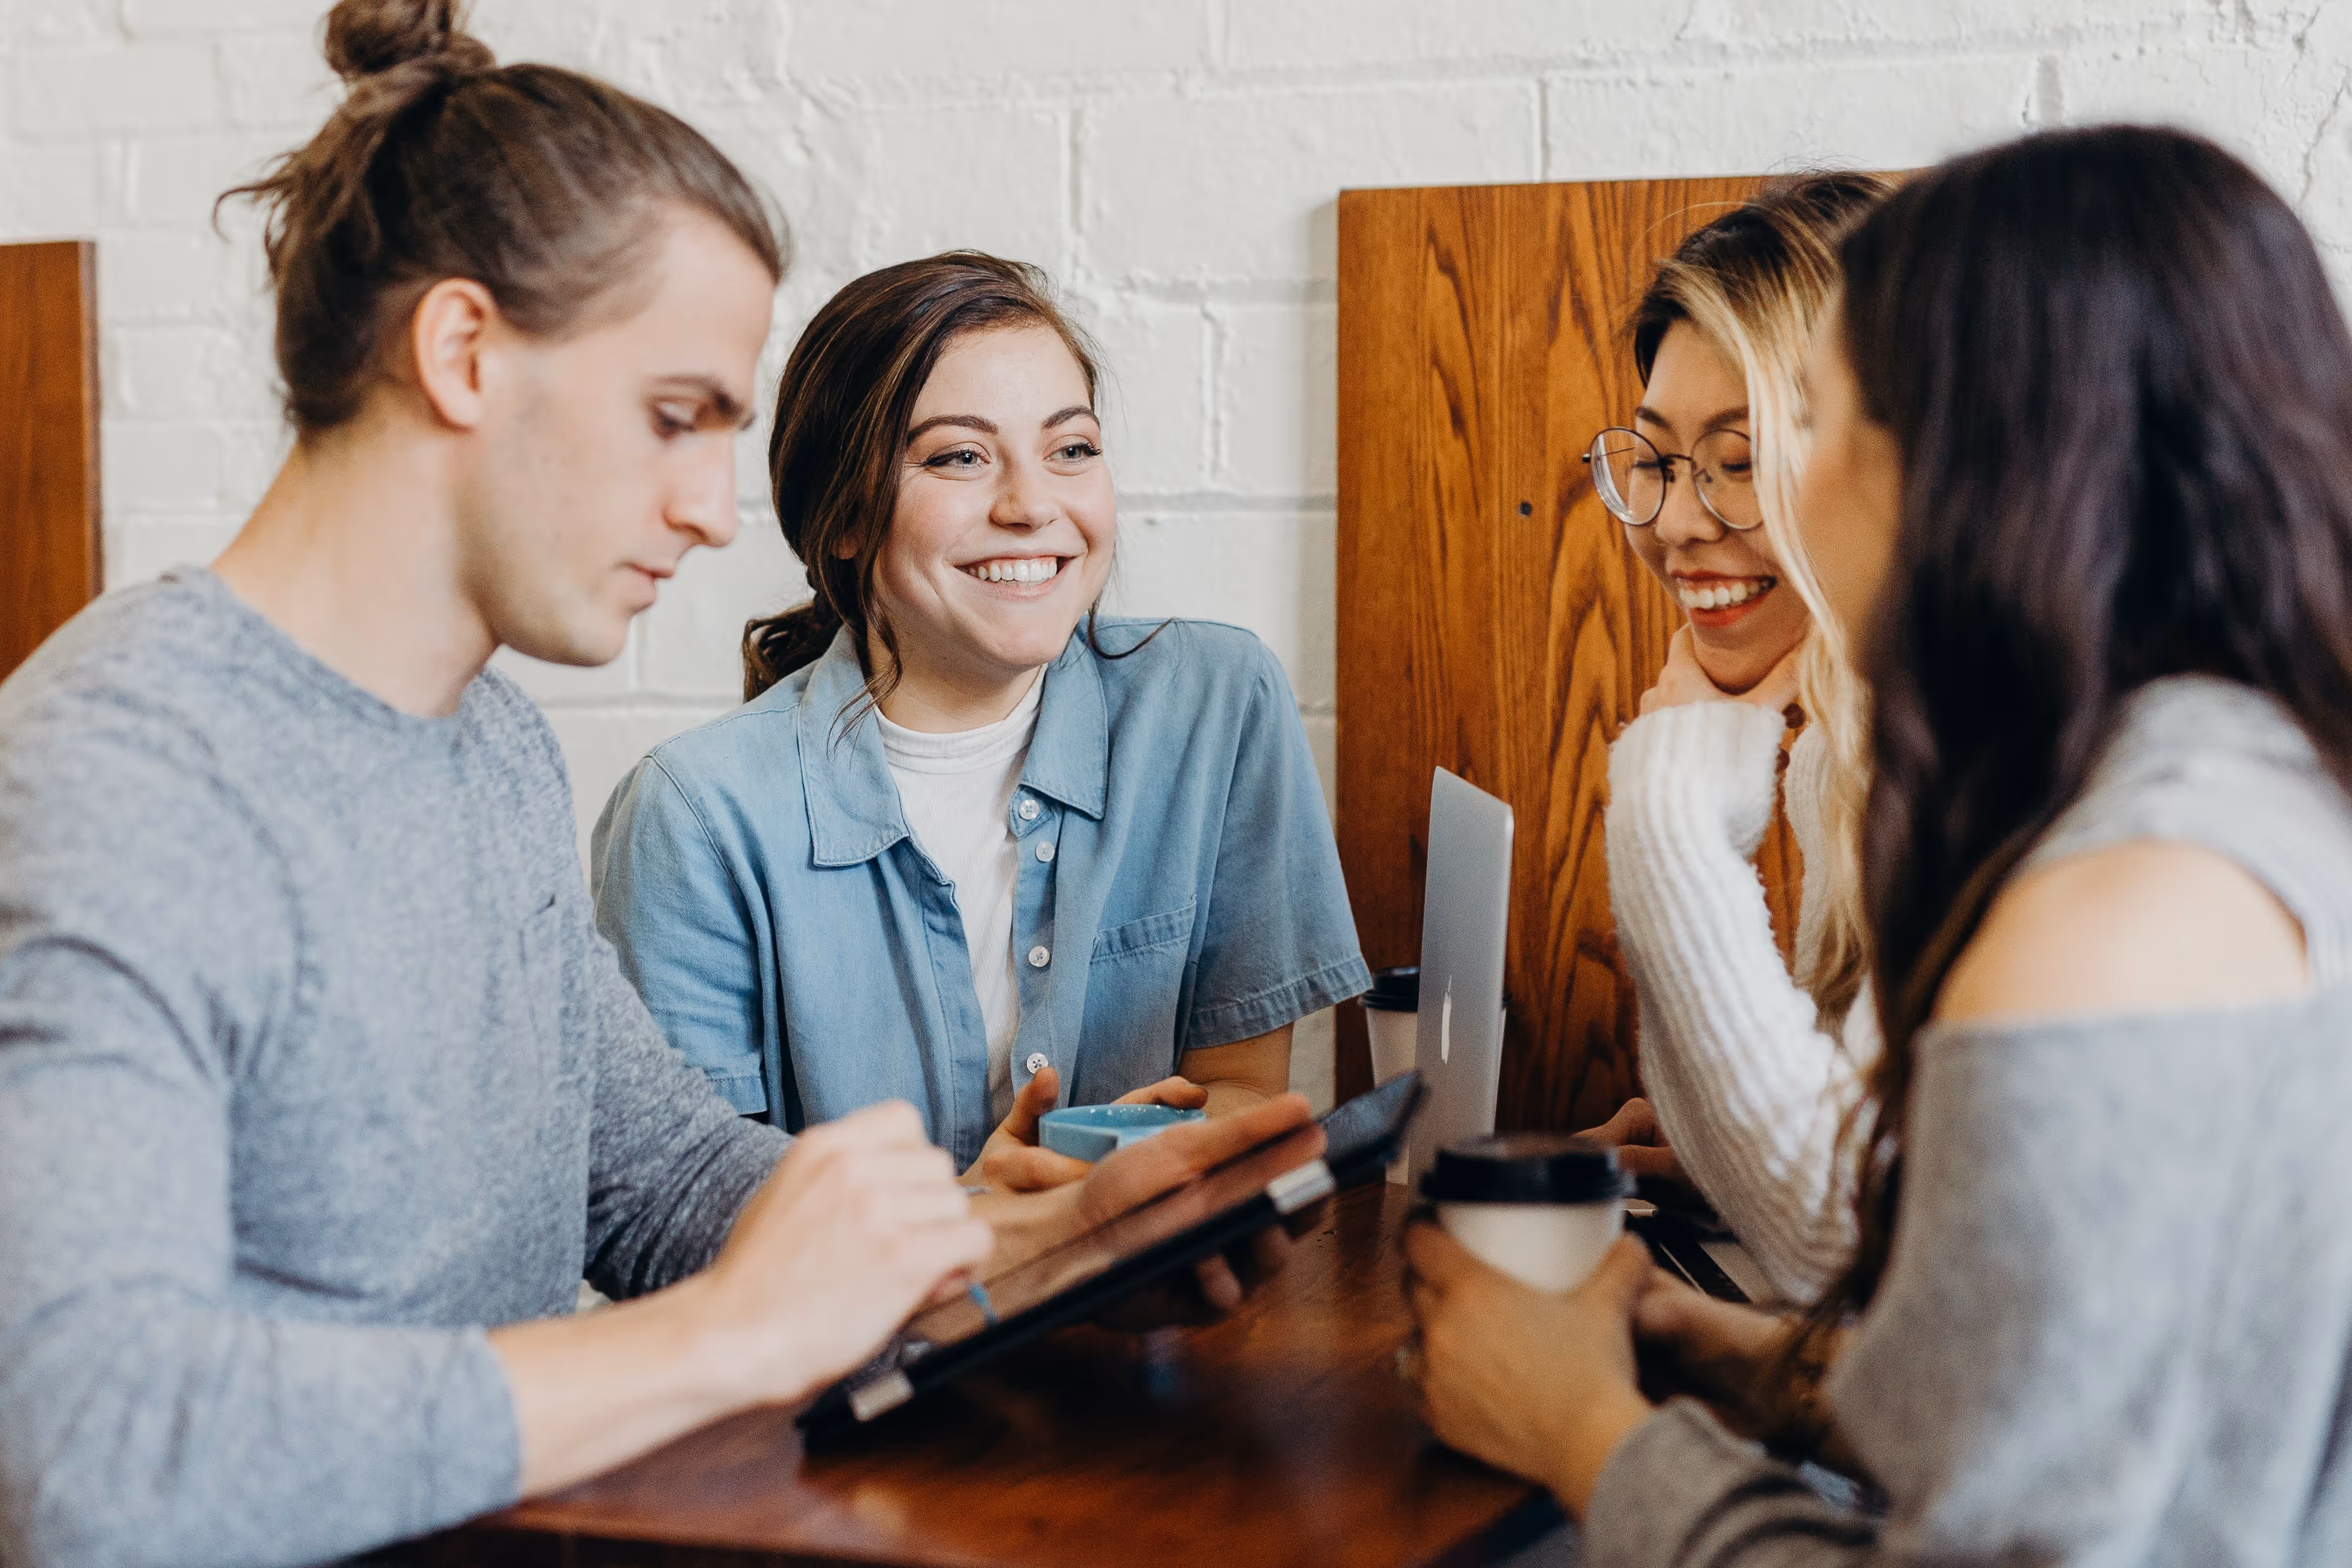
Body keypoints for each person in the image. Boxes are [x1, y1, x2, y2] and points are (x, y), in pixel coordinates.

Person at [0, 6, 1316, 1564]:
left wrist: (1022, 1249)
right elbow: (87, 1453)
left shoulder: (481, 744)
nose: (711, 512)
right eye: (674, 417)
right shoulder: (117, 779)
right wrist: (729, 1341)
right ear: (463, 352)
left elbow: (665, 1182)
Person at [1405, 124, 2352, 1562]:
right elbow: (2083, 1416)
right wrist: (1740, 1362)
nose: (1733, 508)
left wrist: (1585, 1433)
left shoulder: (2115, 907)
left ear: (1979, 462)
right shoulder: (2238, 786)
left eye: (1818, 421)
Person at [591, 251, 1370, 1189]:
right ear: (841, 517)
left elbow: (1242, 1093)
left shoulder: (1215, 705)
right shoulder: (693, 815)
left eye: (1071, 449)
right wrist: (989, 1224)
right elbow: (692, 1218)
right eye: (960, 456)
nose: (1032, 505)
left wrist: (1103, 1187)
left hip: (1150, 1314)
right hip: (865, 1335)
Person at [1591, 174, 1889, 1304]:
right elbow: (1862, 1194)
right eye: (1661, 460)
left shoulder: (1972, 761)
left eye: (1740, 457)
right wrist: (1719, 1144)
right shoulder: (1841, 751)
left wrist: (1667, 807)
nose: (1674, 521)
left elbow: (1839, 1241)